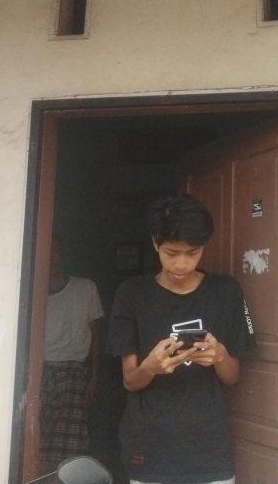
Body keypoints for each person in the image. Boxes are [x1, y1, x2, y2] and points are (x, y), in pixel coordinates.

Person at [107, 194, 255, 484]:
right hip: (150, 449)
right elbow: (130, 381)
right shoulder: (132, 294)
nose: (182, 264)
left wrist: (220, 356)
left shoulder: (226, 292)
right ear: (155, 244)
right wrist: (151, 367)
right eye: (171, 252)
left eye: (193, 252)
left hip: (210, 451)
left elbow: (232, 377)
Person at [40, 235, 104, 472]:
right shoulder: (31, 292)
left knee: (70, 446)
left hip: (73, 372)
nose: (52, 258)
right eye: (47, 253)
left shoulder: (85, 288)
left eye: (56, 252)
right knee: (38, 440)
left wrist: (94, 378)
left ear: (64, 256)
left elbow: (95, 335)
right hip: (39, 370)